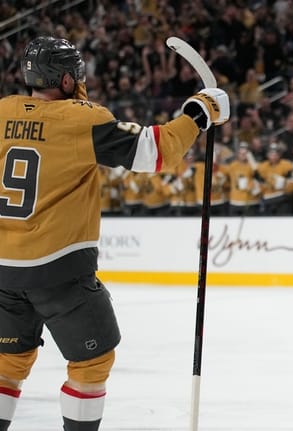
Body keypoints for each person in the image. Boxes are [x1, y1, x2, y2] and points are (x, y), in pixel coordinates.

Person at [0, 36, 229, 430]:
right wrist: (198, 113)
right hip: (58, 268)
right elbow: (155, 151)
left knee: (7, 364)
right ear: (67, 79)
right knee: (92, 362)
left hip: (3, 270)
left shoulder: (3, 110)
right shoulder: (81, 119)